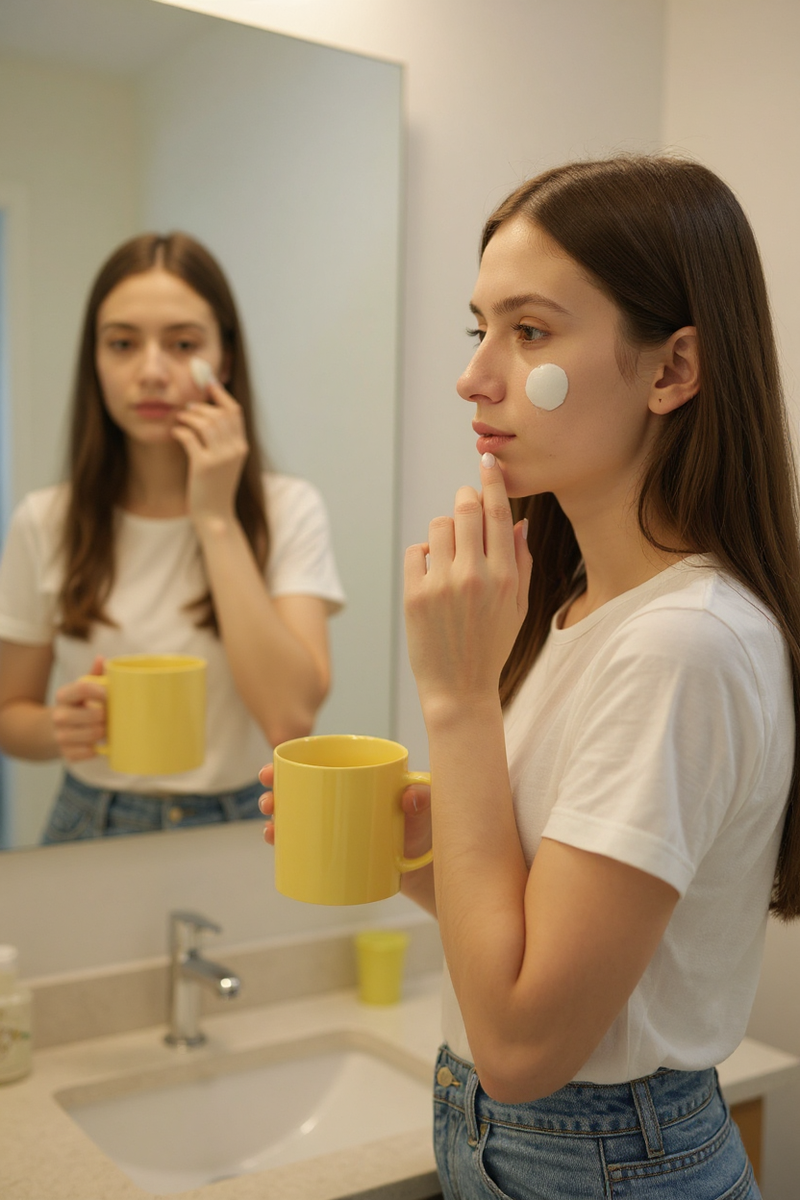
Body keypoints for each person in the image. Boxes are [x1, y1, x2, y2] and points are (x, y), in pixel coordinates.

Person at [262, 155, 800, 1198]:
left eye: (531, 331)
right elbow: (534, 947)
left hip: (601, 1156)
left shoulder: (682, 644)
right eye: (479, 329)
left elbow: (519, 1047)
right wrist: (416, 851)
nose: (475, 377)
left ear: (672, 370)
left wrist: (459, 700)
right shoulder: (580, 613)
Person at [0, 232, 344, 841]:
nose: (152, 372)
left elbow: (291, 717)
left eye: (183, 344)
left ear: (225, 360)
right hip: (92, 820)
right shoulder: (44, 520)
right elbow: (9, 715)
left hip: (246, 819)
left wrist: (215, 519)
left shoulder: (288, 509)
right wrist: (61, 727)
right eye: (122, 344)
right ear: (95, 360)